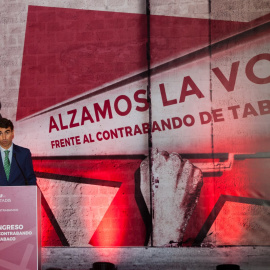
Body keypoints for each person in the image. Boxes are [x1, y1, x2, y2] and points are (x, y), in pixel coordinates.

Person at [0, 118, 36, 186]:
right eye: (0, 133)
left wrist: (30, 195)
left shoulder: (24, 153)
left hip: (20, 195)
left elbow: (31, 179)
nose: (4, 137)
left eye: (7, 132)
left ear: (12, 133)